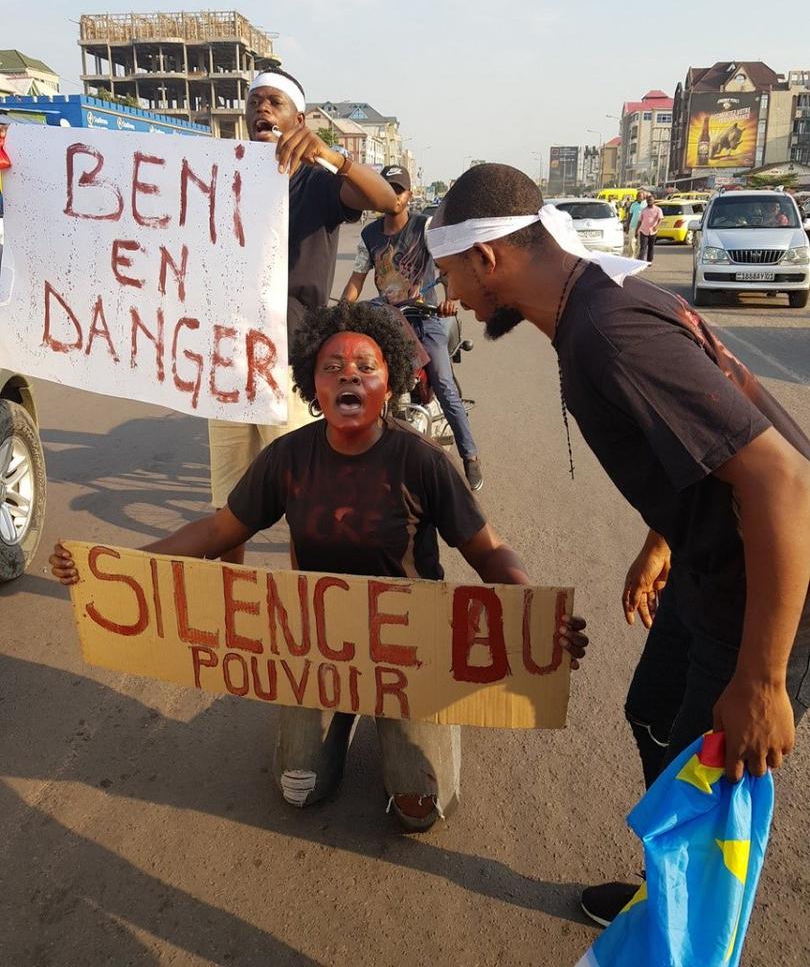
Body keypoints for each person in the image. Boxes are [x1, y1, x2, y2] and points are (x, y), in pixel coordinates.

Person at [424, 163, 810, 921]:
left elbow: (783, 482)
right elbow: (702, 444)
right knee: (653, 714)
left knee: (713, 779)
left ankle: (686, 934)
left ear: (488, 257)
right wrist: (661, 540)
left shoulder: (608, 331)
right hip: (706, 565)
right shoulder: (595, 306)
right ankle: (664, 890)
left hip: (764, 587)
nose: (454, 301)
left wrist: (763, 681)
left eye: (451, 277)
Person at [51, 301, 588, 831]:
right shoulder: (287, 458)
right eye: (331, 367)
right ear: (313, 386)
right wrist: (113, 566)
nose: (347, 375)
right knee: (299, 788)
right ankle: (341, 716)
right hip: (317, 648)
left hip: (411, 654)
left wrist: (534, 613)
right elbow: (217, 532)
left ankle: (421, 725)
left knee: (416, 809)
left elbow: (489, 550)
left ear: (389, 383)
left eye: (365, 367)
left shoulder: (422, 460)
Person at [208, 67, 403, 566]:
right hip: (224, 358)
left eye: (274, 102)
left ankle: (302, 605)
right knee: (229, 502)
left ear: (297, 117)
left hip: (290, 358)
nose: (262, 111)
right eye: (254, 102)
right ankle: (231, 599)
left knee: (303, 499)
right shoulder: (220, 177)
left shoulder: (317, 182)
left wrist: (328, 154)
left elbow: (382, 199)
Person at [340, 165, 483, 491]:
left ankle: (470, 455)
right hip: (387, 317)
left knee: (443, 382)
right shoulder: (369, 236)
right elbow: (356, 280)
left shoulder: (426, 227)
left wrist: (450, 299)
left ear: (408, 195)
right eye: (386, 188)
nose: (392, 195)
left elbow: (447, 267)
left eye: (398, 189)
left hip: (427, 315)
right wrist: (342, 313)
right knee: (362, 375)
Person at [637, 192, 663, 262]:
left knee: (651, 247)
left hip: (653, 231)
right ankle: (640, 261)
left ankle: (649, 261)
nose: (649, 201)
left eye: (651, 200)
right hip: (643, 231)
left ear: (654, 201)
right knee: (643, 247)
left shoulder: (658, 209)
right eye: (648, 200)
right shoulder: (644, 210)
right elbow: (639, 221)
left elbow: (660, 219)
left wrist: (657, 226)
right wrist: (637, 230)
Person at [626, 189, 646, 256]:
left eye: (640, 196)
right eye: (638, 196)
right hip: (633, 226)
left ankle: (638, 257)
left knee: (640, 244)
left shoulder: (646, 205)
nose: (639, 197)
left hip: (642, 227)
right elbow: (630, 216)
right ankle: (631, 257)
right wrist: (627, 226)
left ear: (643, 197)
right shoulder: (633, 204)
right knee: (631, 243)